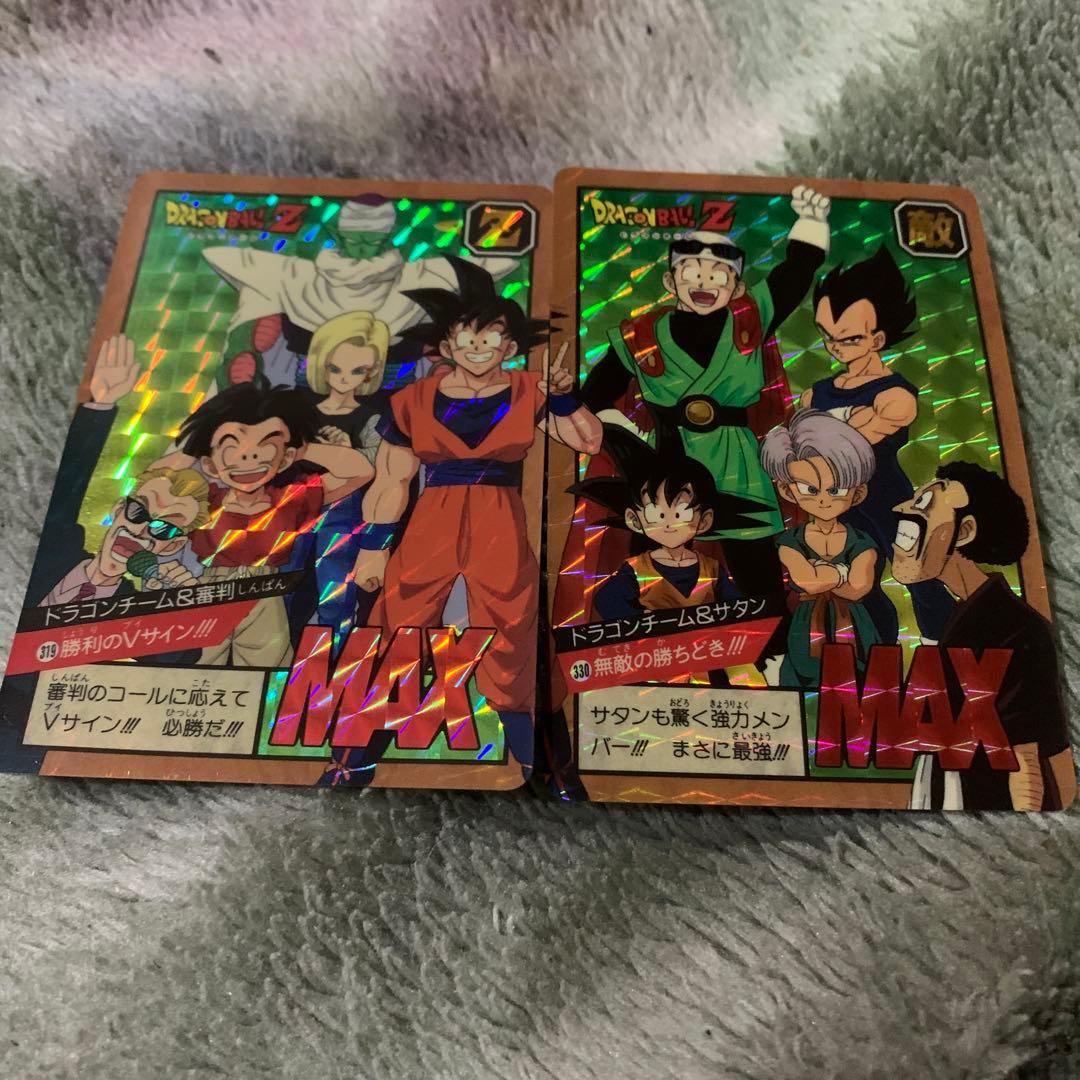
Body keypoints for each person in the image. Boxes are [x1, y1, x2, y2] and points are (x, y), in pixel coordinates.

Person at [349, 256, 602, 778]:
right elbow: (393, 479)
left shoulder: (529, 390)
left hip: (499, 522)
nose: (479, 346)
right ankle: (358, 753)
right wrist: (373, 546)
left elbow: (588, 441)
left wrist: (562, 399)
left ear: (509, 347)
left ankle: (542, 758)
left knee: (516, 627)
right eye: (467, 335)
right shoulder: (412, 400)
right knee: (400, 622)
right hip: (432, 522)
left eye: (492, 336)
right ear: (447, 345)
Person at [576, 185, 833, 597]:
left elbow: (794, 275)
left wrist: (811, 221)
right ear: (670, 279)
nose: (704, 282)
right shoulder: (641, 335)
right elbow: (593, 396)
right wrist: (629, 437)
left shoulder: (750, 318)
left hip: (736, 463)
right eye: (692, 272)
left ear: (737, 287)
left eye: (718, 274)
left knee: (756, 572)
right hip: (667, 462)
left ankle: (768, 635)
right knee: (655, 571)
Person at [891, 462, 1075, 810]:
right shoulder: (957, 615)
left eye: (925, 502)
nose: (902, 509)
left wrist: (1024, 829)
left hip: (982, 809)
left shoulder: (1017, 628)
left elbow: (1026, 764)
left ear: (964, 531)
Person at [158, 378, 373, 668]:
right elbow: (154, 480)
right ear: (209, 463)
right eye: (232, 446)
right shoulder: (204, 498)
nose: (249, 455)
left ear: (285, 457)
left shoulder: (290, 499)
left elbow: (360, 471)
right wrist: (196, 446)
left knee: (267, 670)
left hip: (266, 594)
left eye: (265, 445)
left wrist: (299, 447)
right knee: (198, 665)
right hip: (209, 591)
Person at [203, 194, 519, 390]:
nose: (363, 248)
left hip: (395, 382)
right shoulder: (299, 275)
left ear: (387, 238)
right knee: (260, 305)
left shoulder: (417, 276)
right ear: (339, 235)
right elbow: (220, 256)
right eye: (356, 239)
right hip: (305, 380)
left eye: (372, 240)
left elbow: (495, 263)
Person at [802, 245, 953, 642]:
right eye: (827, 335)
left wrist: (832, 433)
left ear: (878, 337)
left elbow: (846, 444)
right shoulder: (815, 393)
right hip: (836, 503)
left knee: (917, 573)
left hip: (886, 495)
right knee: (858, 581)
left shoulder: (896, 394)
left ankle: (943, 641)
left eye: (848, 338)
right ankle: (878, 648)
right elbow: (807, 442)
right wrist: (849, 424)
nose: (835, 346)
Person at [570, 421, 773, 687]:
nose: (668, 523)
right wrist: (642, 622)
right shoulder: (636, 568)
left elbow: (737, 606)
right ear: (634, 519)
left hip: (704, 657)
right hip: (656, 659)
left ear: (704, 520)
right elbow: (607, 601)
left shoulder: (711, 568)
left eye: (681, 513)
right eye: (656, 513)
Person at [26, 333, 206, 608]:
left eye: (164, 529)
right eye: (138, 512)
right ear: (119, 509)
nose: (141, 531)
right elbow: (67, 486)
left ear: (172, 546)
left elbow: (181, 644)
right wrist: (101, 404)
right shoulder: (56, 547)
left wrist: (176, 603)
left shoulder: (137, 605)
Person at [761, 411, 888, 689]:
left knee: (862, 682)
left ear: (857, 492)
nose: (823, 500)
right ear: (788, 491)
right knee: (805, 683)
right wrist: (841, 573)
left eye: (835, 490)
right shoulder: (790, 540)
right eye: (810, 489)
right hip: (806, 627)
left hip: (857, 627)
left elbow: (858, 588)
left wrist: (823, 574)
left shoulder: (861, 540)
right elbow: (806, 580)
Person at [297, 311, 393, 652]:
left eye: (356, 370)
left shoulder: (372, 418)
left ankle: (335, 660)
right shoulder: (297, 410)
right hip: (291, 507)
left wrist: (346, 451)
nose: (343, 378)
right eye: (335, 368)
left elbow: (374, 465)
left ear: (371, 372)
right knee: (284, 590)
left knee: (336, 593)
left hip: (343, 510)